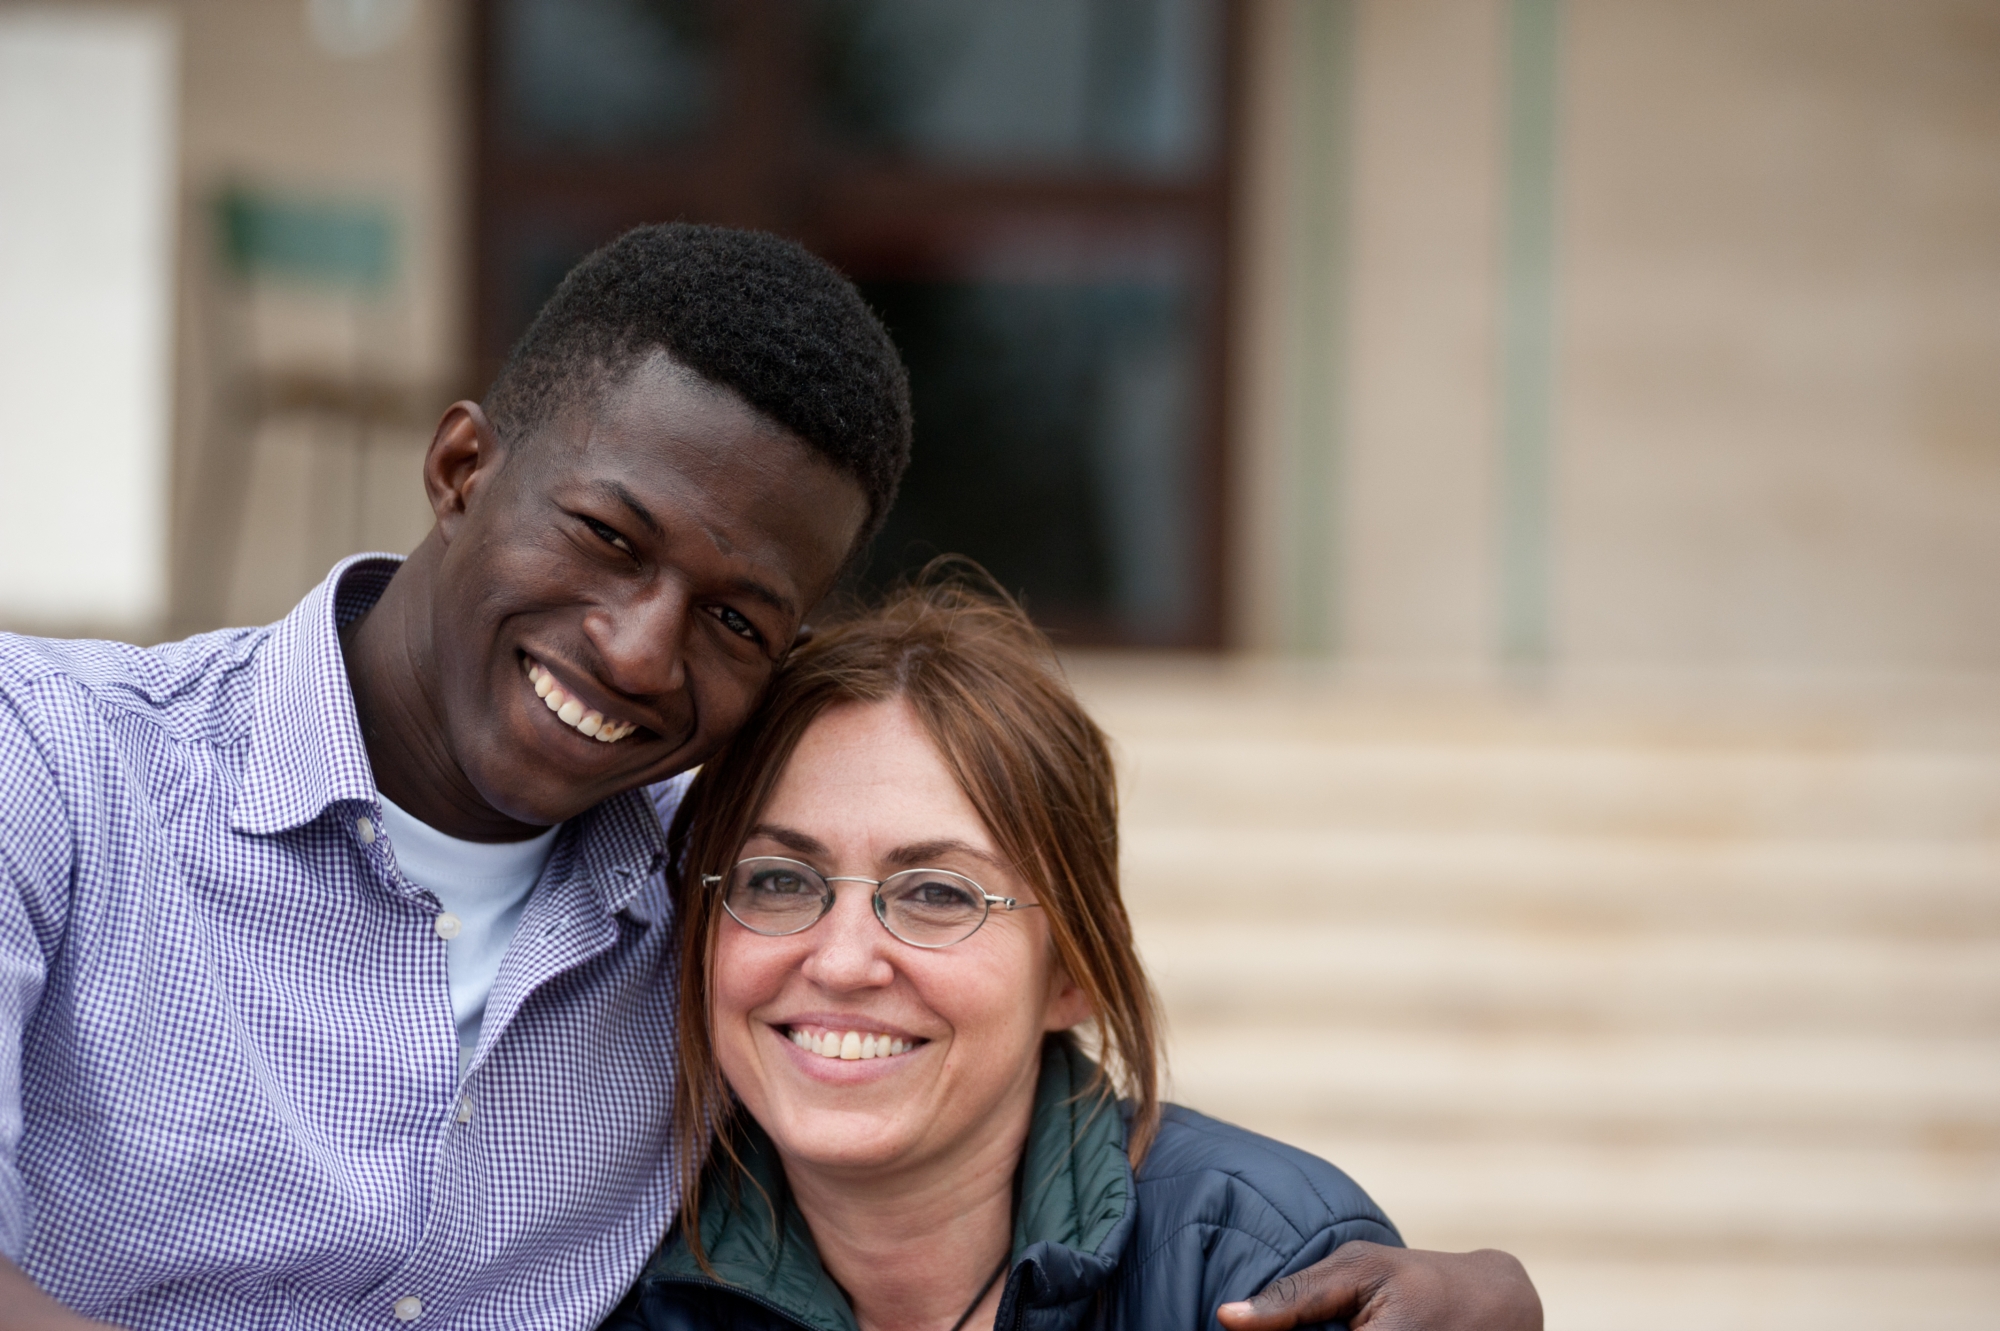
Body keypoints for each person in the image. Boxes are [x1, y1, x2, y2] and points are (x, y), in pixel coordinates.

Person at [0, 224, 1538, 1330]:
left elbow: (989, 1071)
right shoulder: (56, 764)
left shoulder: (729, 896)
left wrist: (1409, 1263)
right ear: (462, 466)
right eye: (607, 536)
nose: (637, 649)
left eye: (736, 618)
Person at [606, 571, 1404, 1330]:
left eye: (937, 893)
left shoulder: (1258, 1264)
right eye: (778, 879)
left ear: (1073, 972)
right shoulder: (608, 1264)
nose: (843, 961)